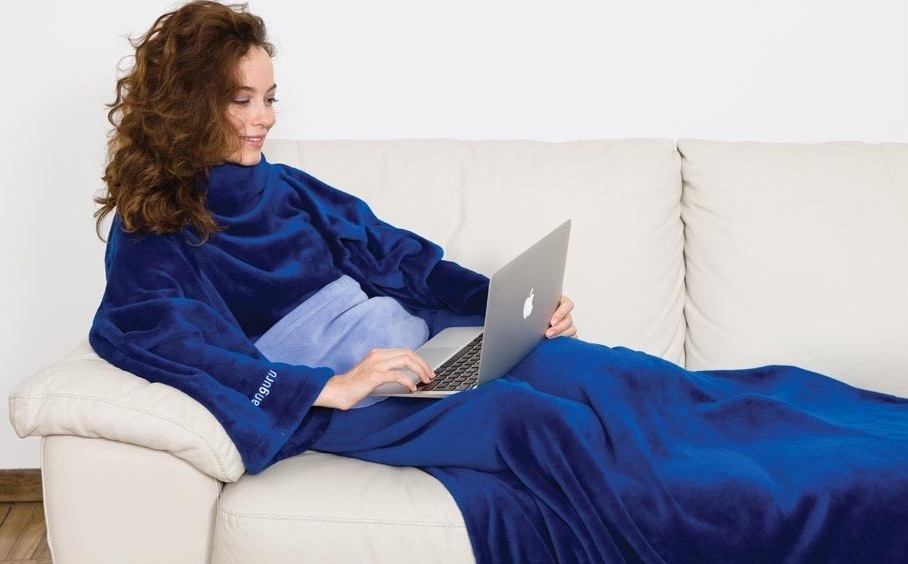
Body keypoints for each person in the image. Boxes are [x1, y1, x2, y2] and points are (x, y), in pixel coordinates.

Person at [90, 2, 907, 562]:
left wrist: (507, 306)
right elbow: (145, 332)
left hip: (424, 359)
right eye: (241, 101)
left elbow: (399, 257)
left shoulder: (287, 187)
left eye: (270, 98)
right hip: (359, 400)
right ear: (190, 104)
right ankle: (744, 525)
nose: (264, 118)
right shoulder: (155, 225)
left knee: (619, 374)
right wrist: (328, 387)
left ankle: (868, 452)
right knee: (532, 422)